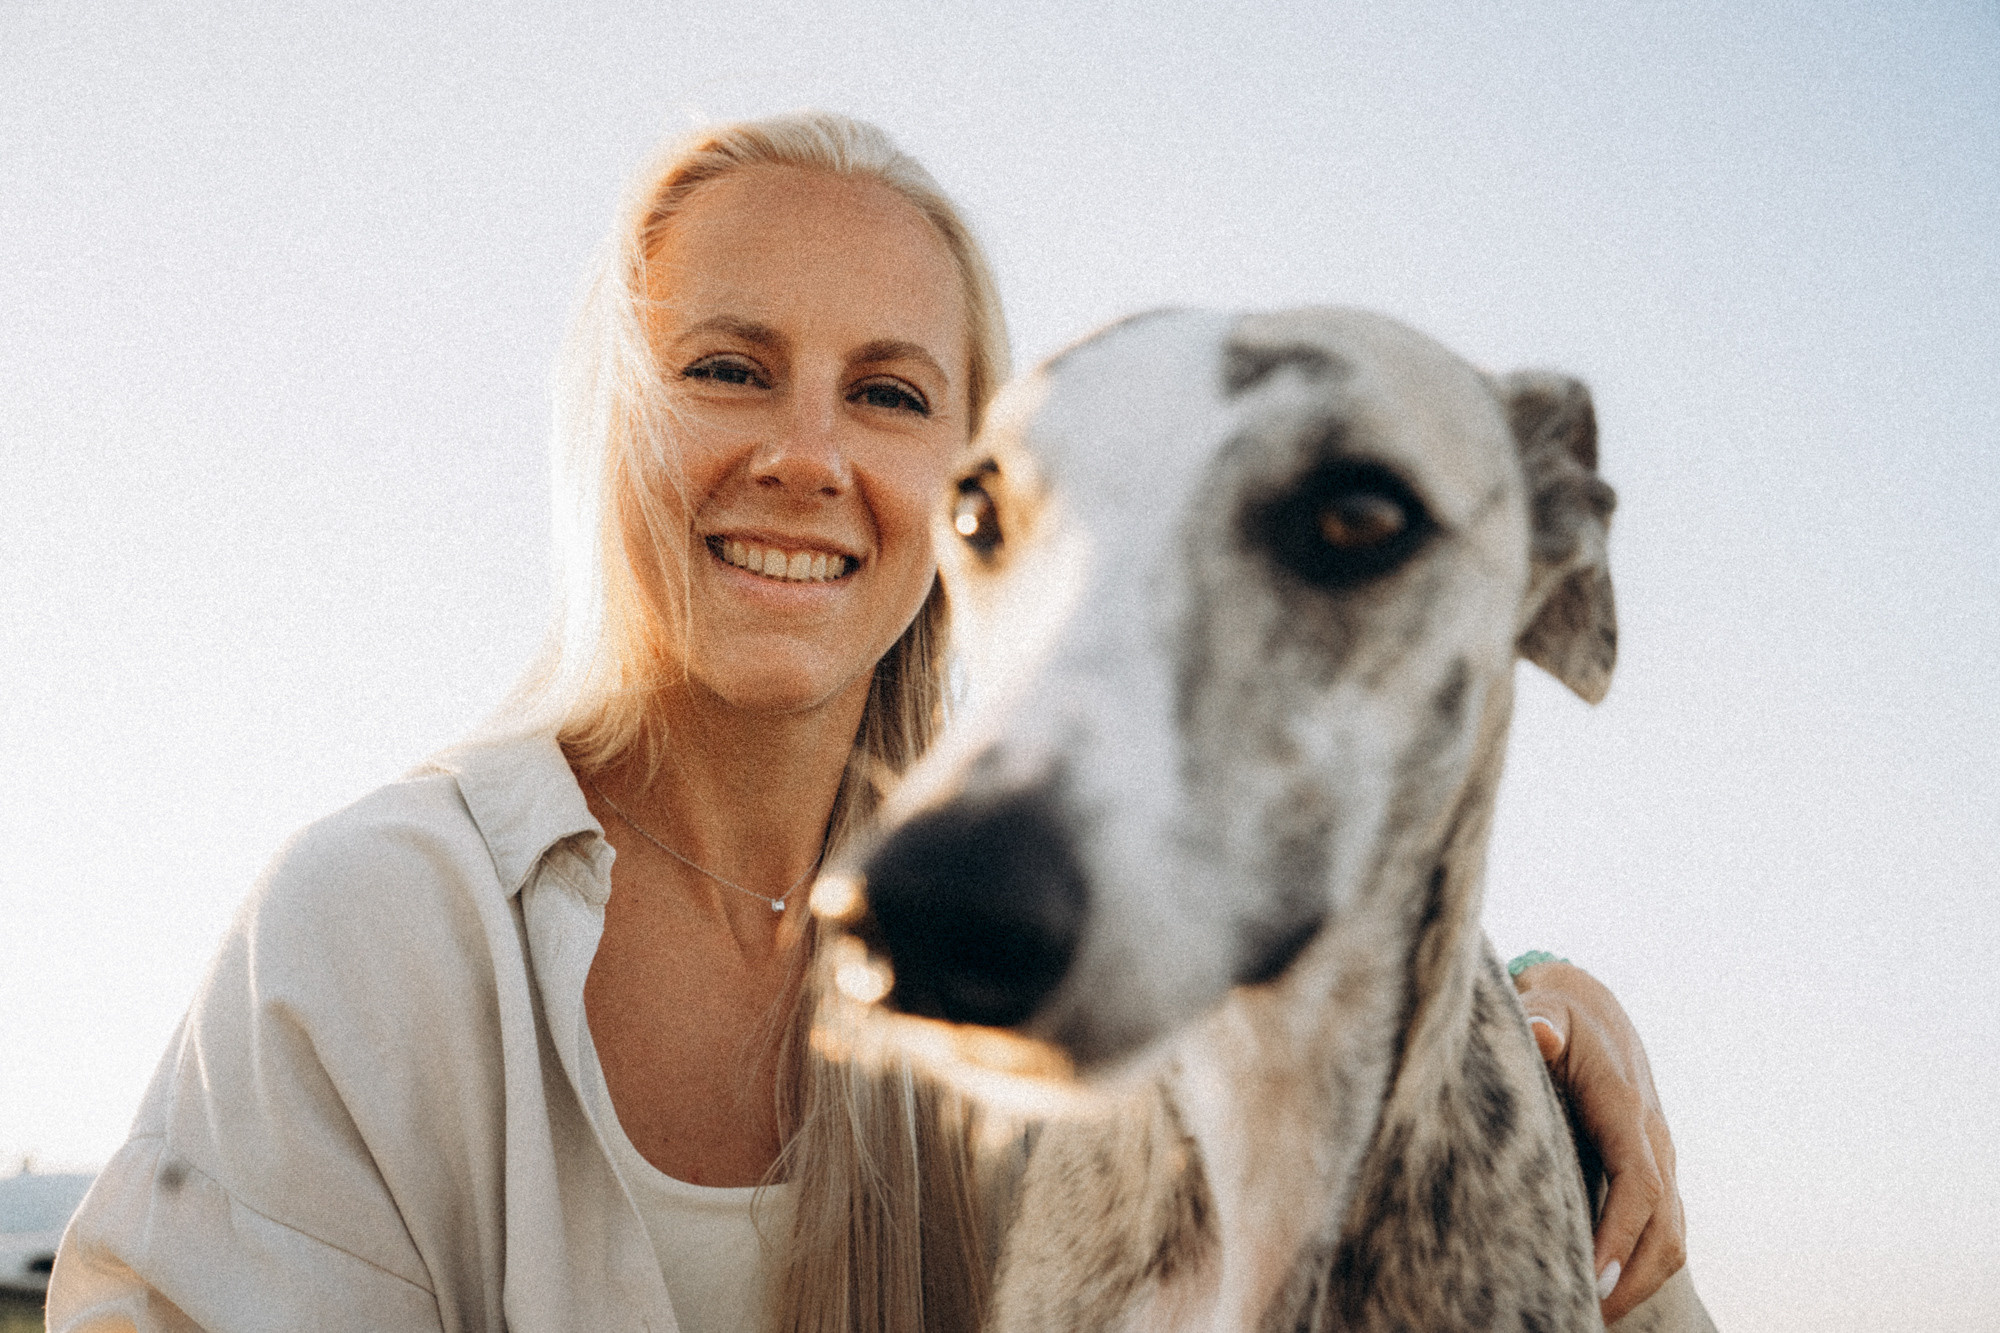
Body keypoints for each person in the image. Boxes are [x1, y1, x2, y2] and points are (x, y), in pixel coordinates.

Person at [48, 112, 1683, 1333]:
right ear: (611, 427)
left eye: (892, 396)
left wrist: (1534, 1009)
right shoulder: (376, 925)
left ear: (962, 491)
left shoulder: (1042, 945)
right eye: (728, 369)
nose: (807, 458)